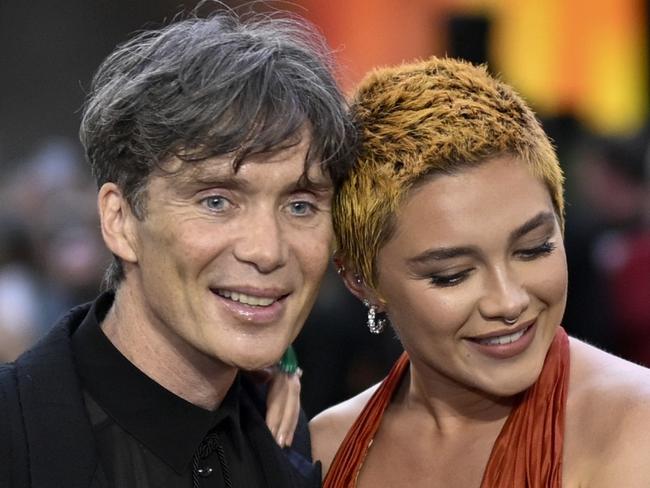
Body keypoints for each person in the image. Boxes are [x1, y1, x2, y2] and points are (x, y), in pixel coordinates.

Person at [0, 8, 354, 488]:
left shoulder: (311, 457)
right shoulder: (16, 438)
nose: (268, 251)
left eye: (299, 206)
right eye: (216, 200)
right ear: (120, 220)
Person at [310, 56, 650, 487]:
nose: (509, 301)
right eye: (452, 275)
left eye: (534, 249)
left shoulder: (636, 428)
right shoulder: (325, 447)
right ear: (360, 280)